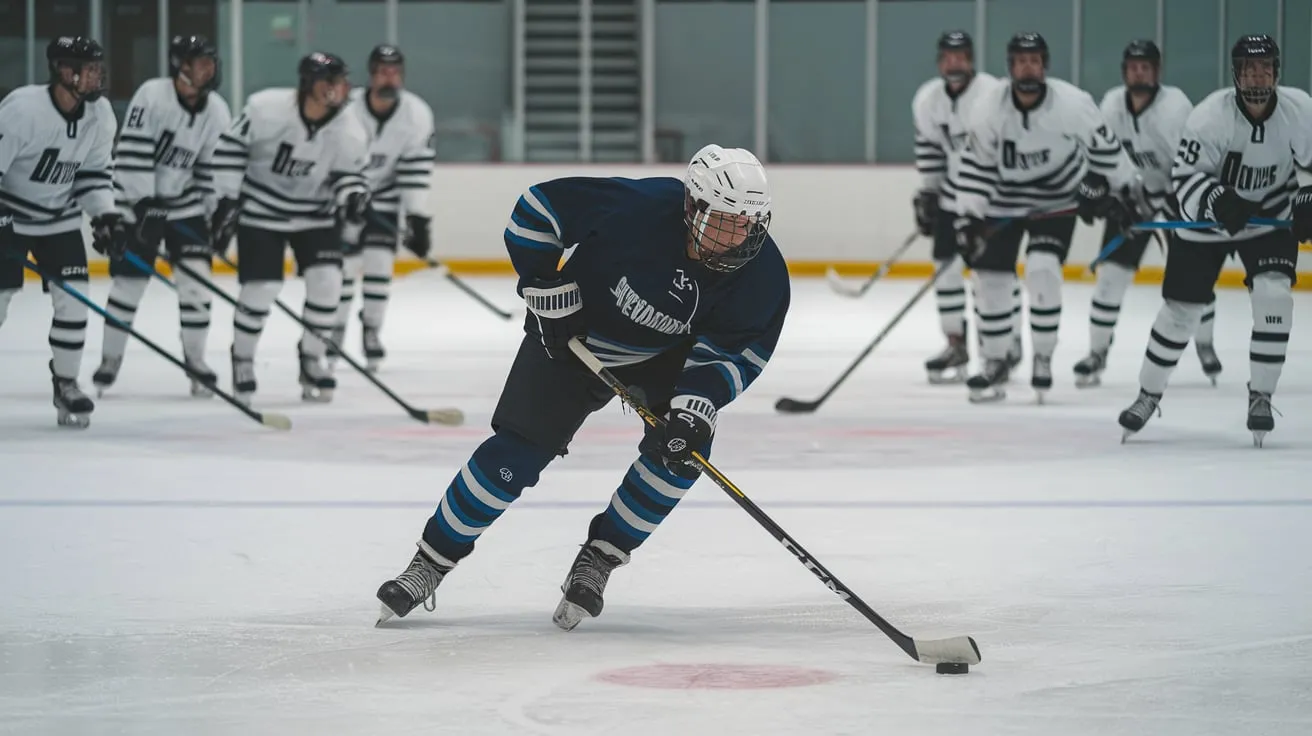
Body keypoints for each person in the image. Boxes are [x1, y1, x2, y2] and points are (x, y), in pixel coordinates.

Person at [374, 145, 790, 630]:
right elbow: (536, 209)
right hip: (572, 338)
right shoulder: (639, 207)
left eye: (750, 223)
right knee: (516, 454)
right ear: (693, 207)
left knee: (682, 455)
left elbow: (740, 351)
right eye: (726, 220)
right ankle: (430, 561)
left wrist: (696, 403)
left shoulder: (760, 274)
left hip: (664, 360)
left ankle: (601, 557)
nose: (741, 236)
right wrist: (544, 284)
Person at [1118, 34, 1309, 447]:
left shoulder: (1301, 110)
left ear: (1277, 72)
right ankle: (1148, 394)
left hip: (1270, 218)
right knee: (1180, 312)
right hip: (1205, 225)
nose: (1257, 75)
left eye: (1264, 68)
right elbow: (1183, 180)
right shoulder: (1209, 118)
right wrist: (1215, 199)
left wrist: (1308, 198)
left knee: (1274, 296)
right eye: (1248, 68)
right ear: (1236, 74)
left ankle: (1261, 395)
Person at [954, 32, 1145, 403]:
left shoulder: (1073, 104)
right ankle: (995, 361)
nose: (1029, 67)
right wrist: (968, 218)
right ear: (1010, 68)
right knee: (990, 279)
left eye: (1035, 60)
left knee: (1042, 269)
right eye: (1021, 61)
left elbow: (1106, 151)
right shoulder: (987, 108)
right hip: (1002, 201)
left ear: (1045, 66)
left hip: (1056, 202)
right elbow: (975, 168)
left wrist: (1124, 193)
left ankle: (1042, 356)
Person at [210, 51, 370, 404]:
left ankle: (312, 357)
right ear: (308, 84)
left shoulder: (349, 127)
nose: (338, 89)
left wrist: (354, 197)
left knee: (328, 283)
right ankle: (243, 360)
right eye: (329, 82)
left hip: (315, 215)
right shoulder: (265, 109)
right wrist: (225, 200)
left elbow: (348, 176)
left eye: (340, 82)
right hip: (261, 212)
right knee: (261, 288)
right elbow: (230, 150)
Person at [1072, 40, 1219, 388]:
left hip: (1178, 201)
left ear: (1157, 71)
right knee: (1110, 280)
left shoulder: (1174, 107)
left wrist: (1168, 204)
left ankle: (1205, 343)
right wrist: (1100, 193)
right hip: (1133, 202)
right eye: (1134, 66)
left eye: (1146, 66)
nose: (1139, 72)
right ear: (1125, 71)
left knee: (1194, 279)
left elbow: (1192, 165)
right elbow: (1102, 159)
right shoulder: (1111, 104)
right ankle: (1097, 353)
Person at [93, 35, 232, 398]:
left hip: (183, 206)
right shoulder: (152, 95)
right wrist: (143, 204)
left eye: (210, 61)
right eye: (200, 61)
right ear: (181, 66)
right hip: (136, 204)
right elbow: (133, 150)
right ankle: (110, 359)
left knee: (197, 285)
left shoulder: (216, 108)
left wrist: (215, 211)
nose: (209, 68)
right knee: (129, 285)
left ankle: (196, 362)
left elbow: (210, 167)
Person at [0, 36, 123, 428]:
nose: (96, 77)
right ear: (63, 71)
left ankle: (66, 383)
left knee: (75, 300)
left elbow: (93, 176)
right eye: (89, 69)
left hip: (60, 221)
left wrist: (105, 217)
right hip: (11, 218)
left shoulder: (100, 115)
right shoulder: (22, 109)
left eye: (98, 69)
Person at [912, 30, 1018, 384]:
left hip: (992, 198)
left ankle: (1007, 340)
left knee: (993, 275)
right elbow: (930, 150)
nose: (954, 63)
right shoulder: (929, 100)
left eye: (961, 56)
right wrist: (928, 194)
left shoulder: (992, 93)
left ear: (971, 59)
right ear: (940, 61)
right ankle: (955, 341)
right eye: (948, 57)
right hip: (951, 198)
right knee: (946, 268)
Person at [329, 44, 436, 372]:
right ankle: (334, 331)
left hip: (385, 202)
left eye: (395, 71)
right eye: (382, 71)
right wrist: (348, 193)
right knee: (343, 272)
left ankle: (371, 330)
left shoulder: (417, 113)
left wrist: (417, 218)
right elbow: (332, 155)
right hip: (345, 198)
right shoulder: (346, 108)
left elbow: (415, 170)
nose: (389, 77)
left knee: (379, 268)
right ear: (372, 74)